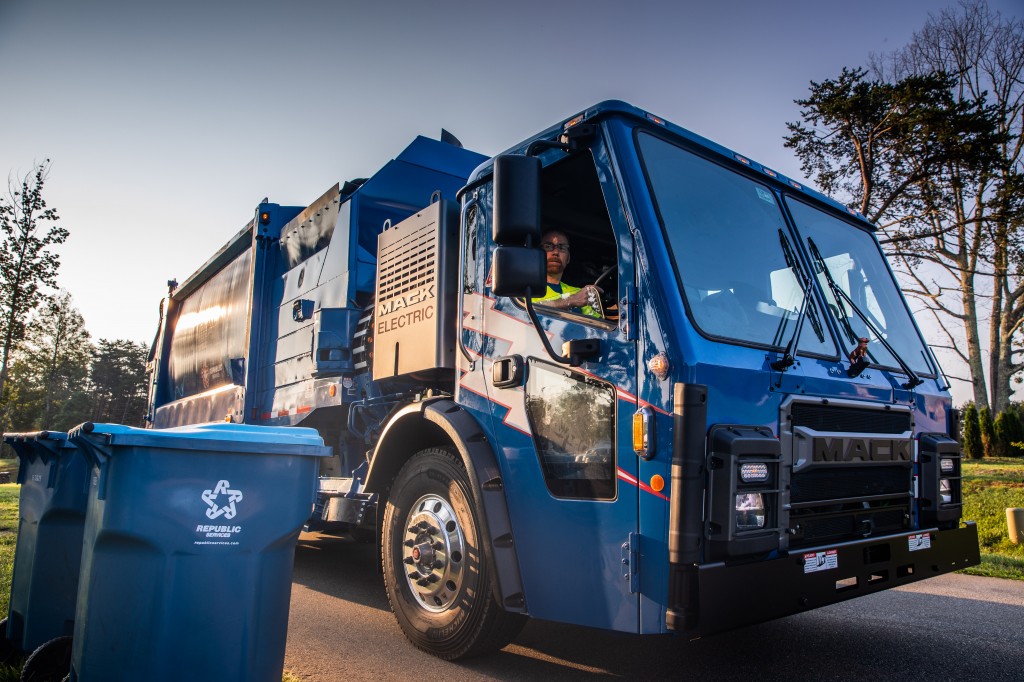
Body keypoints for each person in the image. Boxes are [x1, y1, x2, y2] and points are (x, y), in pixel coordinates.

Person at [531, 230, 603, 319]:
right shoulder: (524, 287)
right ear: (537, 254)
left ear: (568, 258)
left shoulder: (580, 293)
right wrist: (571, 300)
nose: (556, 252)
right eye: (548, 246)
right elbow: (526, 312)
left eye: (562, 248)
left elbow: (596, 326)